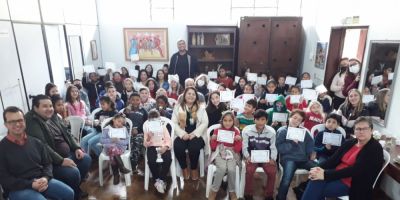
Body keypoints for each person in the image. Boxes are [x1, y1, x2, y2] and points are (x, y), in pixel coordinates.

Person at [25, 95, 91, 199]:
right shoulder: (31, 120)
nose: (50, 109)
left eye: (51, 106)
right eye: (45, 106)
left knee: (86, 159)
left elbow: (67, 133)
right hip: (51, 161)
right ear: (35, 108)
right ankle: (73, 193)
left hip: (66, 154)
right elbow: (42, 145)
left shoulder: (53, 115)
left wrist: (76, 147)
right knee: (73, 173)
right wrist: (61, 161)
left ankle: (75, 188)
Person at [0, 106, 74, 200]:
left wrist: (45, 178)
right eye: (12, 122)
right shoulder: (2, 148)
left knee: (68, 194)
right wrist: (31, 184)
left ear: (25, 121)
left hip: (41, 180)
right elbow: (4, 179)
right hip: (18, 188)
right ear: (6, 124)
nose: (17, 124)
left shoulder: (36, 142)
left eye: (20, 120)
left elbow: (47, 163)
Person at [302, 117, 384, 200]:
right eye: (358, 129)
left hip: (353, 183)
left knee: (315, 187)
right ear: (354, 131)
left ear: (371, 130)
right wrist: (318, 168)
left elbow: (355, 170)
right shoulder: (350, 142)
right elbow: (332, 160)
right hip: (337, 175)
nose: (361, 131)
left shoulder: (375, 149)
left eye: (365, 129)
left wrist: (325, 175)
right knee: (315, 179)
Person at [276, 109, 317, 200]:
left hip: (303, 159)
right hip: (288, 159)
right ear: (290, 117)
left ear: (301, 122)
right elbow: (280, 148)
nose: (296, 121)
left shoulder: (304, 131)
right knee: (287, 180)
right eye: (295, 118)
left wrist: (311, 152)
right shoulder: (282, 131)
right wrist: (291, 143)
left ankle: (301, 188)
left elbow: (310, 143)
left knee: (319, 170)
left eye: (299, 120)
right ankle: (280, 197)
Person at [172, 87, 208, 180]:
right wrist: (182, 134)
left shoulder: (201, 108)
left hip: (197, 134)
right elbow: (174, 123)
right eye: (189, 93)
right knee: (178, 146)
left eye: (193, 94)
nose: (191, 96)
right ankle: (184, 168)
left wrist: (194, 134)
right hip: (182, 133)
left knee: (194, 147)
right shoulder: (178, 107)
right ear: (184, 95)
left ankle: (193, 168)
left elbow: (205, 123)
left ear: (196, 97)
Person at [242, 109, 277, 200]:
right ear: (254, 120)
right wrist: (247, 156)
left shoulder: (271, 132)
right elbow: (244, 146)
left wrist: (272, 158)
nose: (260, 122)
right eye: (257, 119)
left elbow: (273, 147)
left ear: (266, 120)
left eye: (262, 119)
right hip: (252, 157)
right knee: (249, 171)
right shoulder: (247, 131)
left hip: (266, 158)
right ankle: (248, 193)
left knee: (272, 172)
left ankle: (269, 194)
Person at [208, 111, 242, 200]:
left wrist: (238, 140)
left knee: (231, 169)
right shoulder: (217, 130)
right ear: (222, 121)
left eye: (230, 120)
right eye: (225, 120)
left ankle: (232, 191)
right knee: (222, 168)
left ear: (233, 121)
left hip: (232, 152)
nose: (227, 123)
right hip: (220, 151)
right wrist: (213, 139)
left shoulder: (236, 131)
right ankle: (214, 190)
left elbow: (238, 149)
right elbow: (213, 147)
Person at [143, 110, 172, 193]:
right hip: (152, 146)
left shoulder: (163, 127)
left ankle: (162, 179)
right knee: (151, 161)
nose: (154, 122)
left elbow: (168, 139)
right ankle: (157, 179)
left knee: (168, 159)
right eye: (152, 120)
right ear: (149, 121)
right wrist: (148, 137)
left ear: (159, 120)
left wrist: (166, 147)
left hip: (163, 146)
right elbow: (145, 144)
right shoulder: (147, 129)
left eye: (156, 119)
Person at [100, 113, 131, 185]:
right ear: (114, 119)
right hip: (109, 148)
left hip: (120, 148)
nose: (120, 124)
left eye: (122, 123)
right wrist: (111, 140)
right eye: (118, 121)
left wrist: (118, 140)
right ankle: (122, 167)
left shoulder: (124, 129)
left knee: (113, 153)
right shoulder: (107, 129)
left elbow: (126, 141)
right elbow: (101, 141)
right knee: (112, 149)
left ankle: (116, 174)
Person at [123, 93, 148, 172]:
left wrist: (138, 130)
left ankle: (133, 164)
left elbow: (146, 123)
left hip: (140, 132)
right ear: (129, 100)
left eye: (137, 100)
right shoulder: (126, 110)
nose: (135, 102)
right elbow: (123, 122)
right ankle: (125, 162)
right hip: (128, 132)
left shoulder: (143, 111)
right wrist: (126, 113)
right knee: (127, 142)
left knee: (137, 142)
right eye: (133, 100)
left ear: (140, 101)